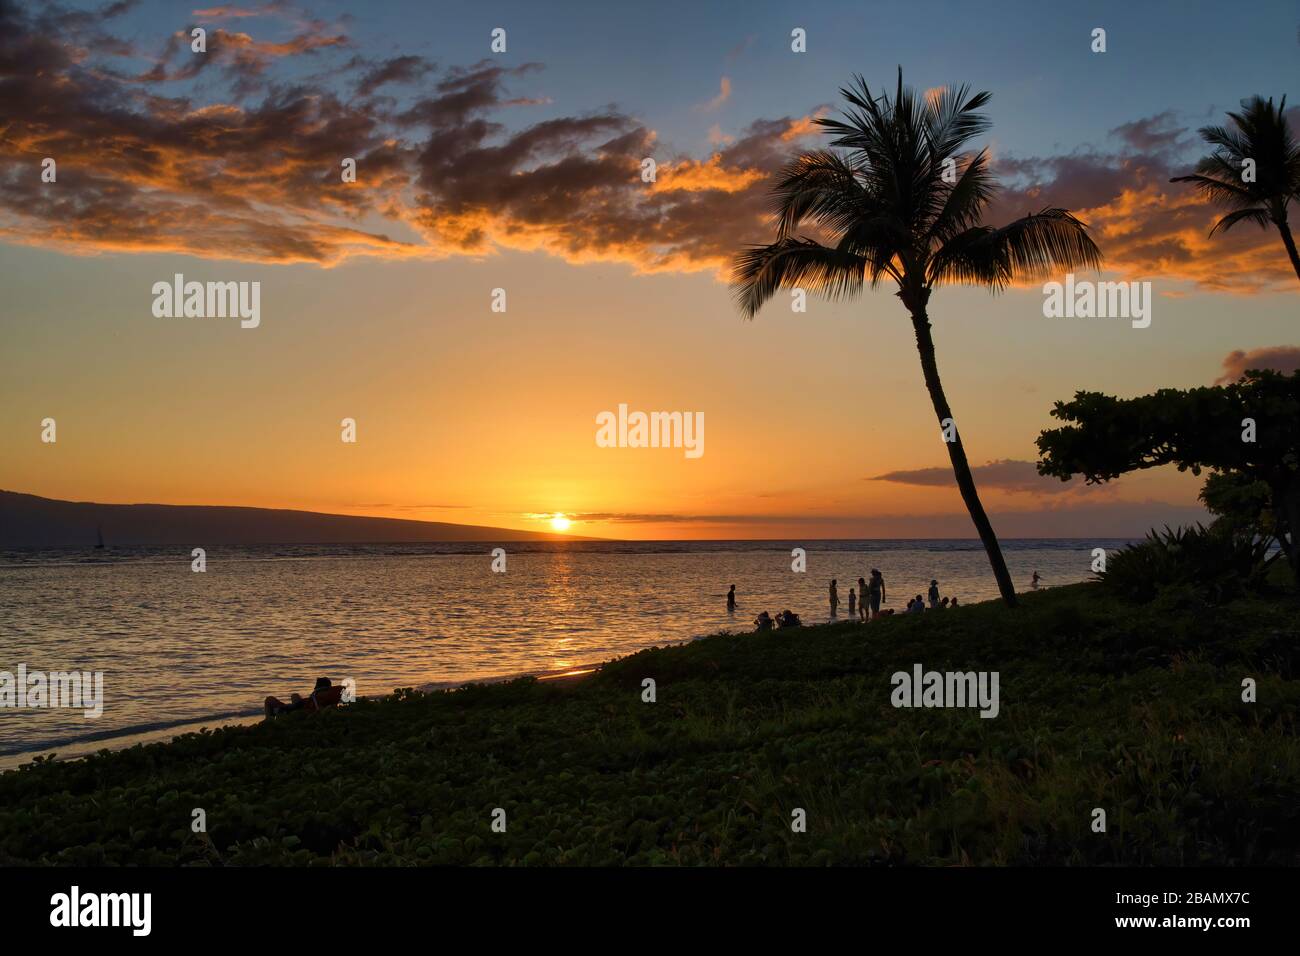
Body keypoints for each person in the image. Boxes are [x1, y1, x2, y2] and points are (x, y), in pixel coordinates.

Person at [264, 677, 344, 718]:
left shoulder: (317, 696)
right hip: (303, 704)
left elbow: (317, 710)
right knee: (294, 695)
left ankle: (268, 721)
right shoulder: (328, 698)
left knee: (269, 699)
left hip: (298, 709)